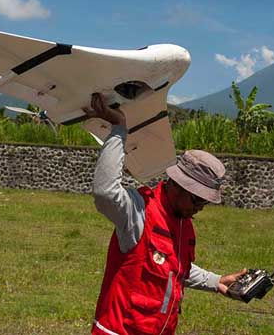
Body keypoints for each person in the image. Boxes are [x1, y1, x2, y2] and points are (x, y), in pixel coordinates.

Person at [85, 93, 246, 335]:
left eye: (205, 203)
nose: (199, 207)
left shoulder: (183, 223)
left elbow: (174, 266)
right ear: (177, 184)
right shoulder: (138, 211)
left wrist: (216, 281)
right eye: (196, 199)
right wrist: (118, 129)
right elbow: (105, 193)